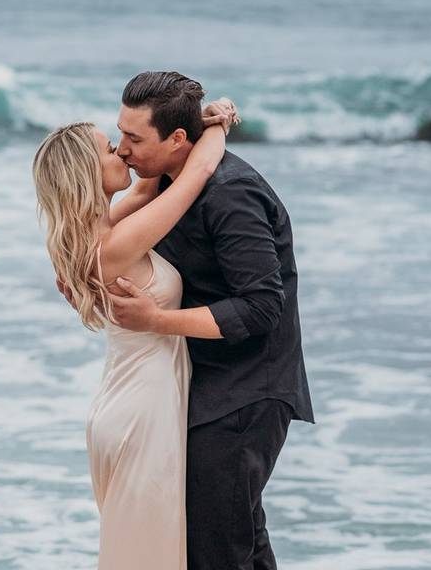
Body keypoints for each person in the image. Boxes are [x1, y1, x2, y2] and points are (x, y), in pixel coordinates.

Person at [104, 71, 315, 570]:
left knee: (216, 549)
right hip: (205, 385)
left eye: (135, 139)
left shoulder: (231, 194)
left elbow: (264, 306)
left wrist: (156, 320)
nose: (122, 151)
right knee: (239, 541)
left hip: (247, 391)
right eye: (121, 134)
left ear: (177, 139)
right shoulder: (171, 181)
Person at [31, 89, 237, 570]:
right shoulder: (114, 244)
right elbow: (195, 175)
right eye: (109, 148)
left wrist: (194, 120)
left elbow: (148, 188)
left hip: (122, 403)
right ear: (88, 174)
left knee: (141, 552)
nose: (121, 151)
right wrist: (220, 122)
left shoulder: (95, 235)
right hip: (143, 411)